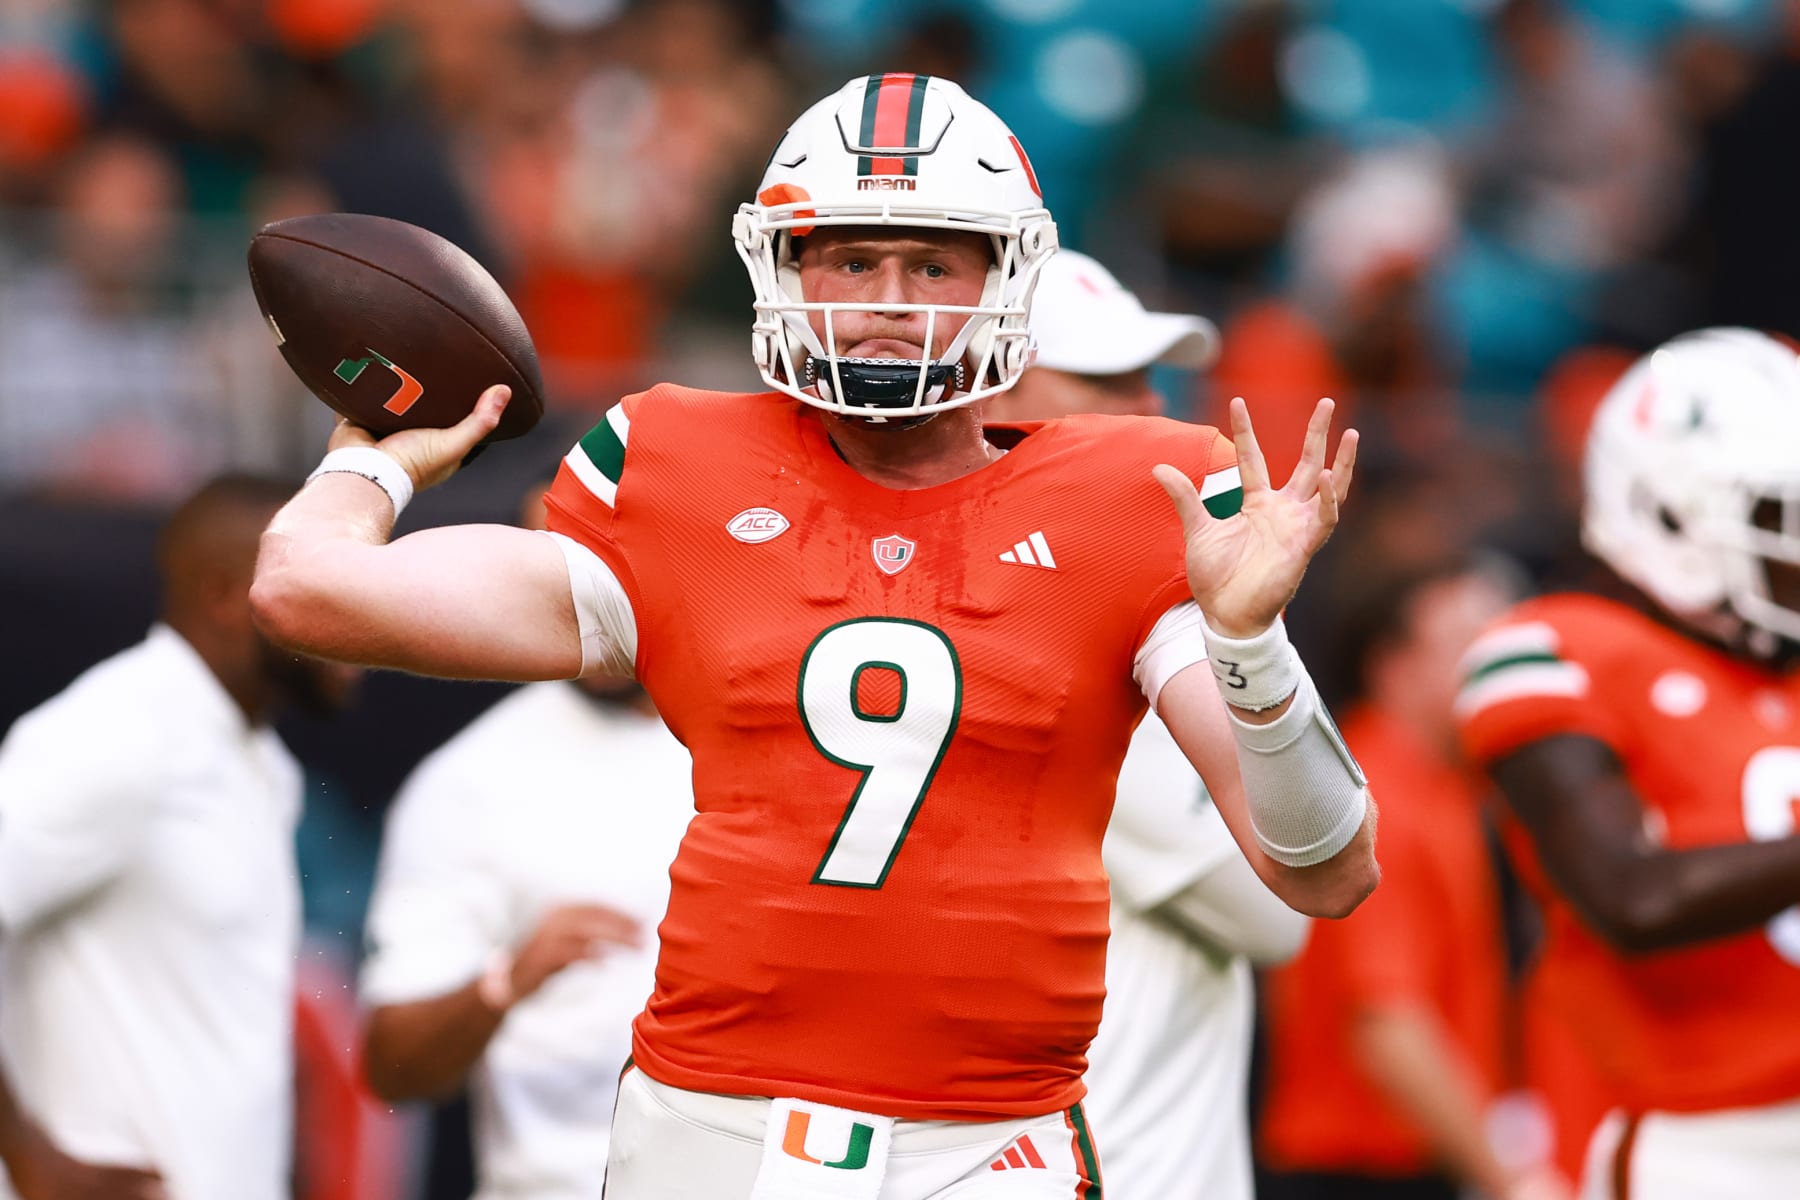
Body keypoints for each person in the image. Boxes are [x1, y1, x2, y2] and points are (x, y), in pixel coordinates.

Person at [251, 74, 1377, 1199]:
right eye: (850, 261)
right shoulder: (677, 464)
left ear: (1005, 281)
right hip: (708, 1124)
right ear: (784, 270)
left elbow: (1325, 873)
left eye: (932, 265)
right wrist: (379, 456)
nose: (889, 300)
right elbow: (304, 589)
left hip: (985, 1145)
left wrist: (1248, 641)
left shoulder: (1134, 493)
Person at [985, 247, 1310, 1200]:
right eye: (1104, 378)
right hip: (1098, 1168)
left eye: (1148, 375)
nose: (1149, 406)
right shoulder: (1044, 644)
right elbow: (1290, 904)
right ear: (987, 392)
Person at [1455, 327, 1800, 1199]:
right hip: (1706, 1143)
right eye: (1780, 517)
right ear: (1669, 512)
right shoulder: (1559, 646)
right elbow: (1631, 894)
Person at [0, 474, 360, 1200]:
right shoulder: (117, 734)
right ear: (226, 596)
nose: (368, 612)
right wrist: (25, 1157)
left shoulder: (261, 762)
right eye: (335, 583)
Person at [357, 485, 695, 1197]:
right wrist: (507, 980)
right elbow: (393, 1067)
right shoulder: (471, 780)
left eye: (604, 564)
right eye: (551, 572)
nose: (581, 598)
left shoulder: (776, 726)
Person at [1258, 555, 1570, 1200]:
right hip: (1358, 1171)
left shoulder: (1444, 789)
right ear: (1394, 666)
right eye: (1468, 647)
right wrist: (1505, 1176)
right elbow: (1388, 1025)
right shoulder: (1376, 801)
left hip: (1406, 1159)